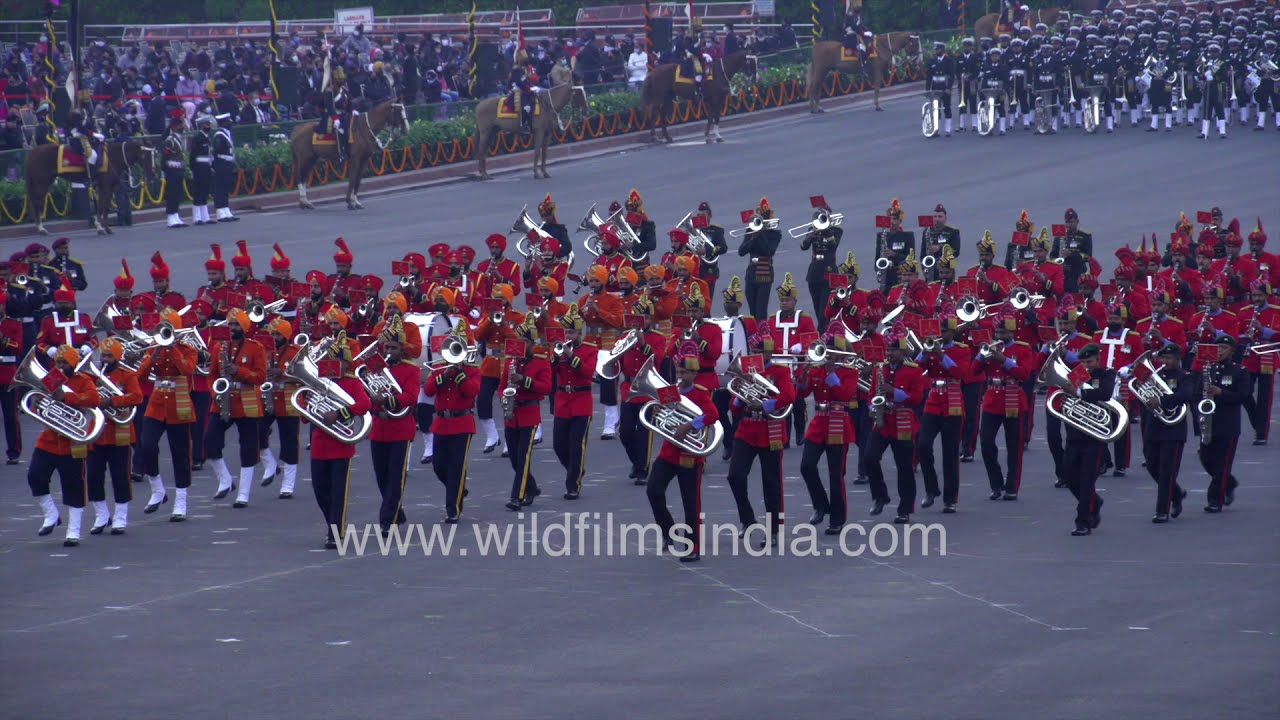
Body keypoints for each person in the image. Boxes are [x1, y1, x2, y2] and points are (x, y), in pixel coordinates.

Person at [645, 353, 718, 563]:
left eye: (685, 372)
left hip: (690, 455)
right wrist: (658, 411)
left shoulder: (701, 394)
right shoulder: (671, 391)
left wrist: (689, 426)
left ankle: (692, 546)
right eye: (679, 371)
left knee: (691, 504)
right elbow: (662, 416)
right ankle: (668, 530)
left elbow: (713, 415)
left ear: (695, 374)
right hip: (670, 451)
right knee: (653, 490)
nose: (681, 376)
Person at [27, 345, 100, 547]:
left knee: (74, 486)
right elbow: (35, 405)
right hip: (49, 439)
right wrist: (40, 404)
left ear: (73, 363)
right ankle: (51, 514)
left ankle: (73, 531)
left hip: (73, 441)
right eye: (58, 362)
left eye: (64, 362)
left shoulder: (83, 380)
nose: (59, 366)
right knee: (35, 476)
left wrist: (67, 397)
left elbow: (94, 399)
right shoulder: (51, 378)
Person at [726, 334, 796, 545]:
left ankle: (774, 529)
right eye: (754, 351)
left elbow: (789, 396)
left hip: (770, 430)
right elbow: (733, 407)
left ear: (770, 353)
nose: (756, 355)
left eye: (761, 351)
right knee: (735, 476)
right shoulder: (746, 371)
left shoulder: (780, 371)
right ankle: (747, 519)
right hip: (747, 429)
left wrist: (766, 405)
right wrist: (740, 396)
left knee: (772, 483)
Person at [310, 329, 371, 549]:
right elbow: (306, 419)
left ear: (346, 364)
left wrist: (340, 413)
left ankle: (335, 531)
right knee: (320, 490)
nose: (332, 364)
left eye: (337, 361)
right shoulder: (320, 382)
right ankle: (332, 524)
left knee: (338, 492)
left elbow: (365, 404)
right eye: (329, 360)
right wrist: (309, 399)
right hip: (320, 442)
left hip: (340, 443)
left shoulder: (352, 383)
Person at [205, 308, 268, 508]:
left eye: (236, 325)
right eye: (230, 324)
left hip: (246, 401)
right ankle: (225, 480)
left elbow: (261, 377)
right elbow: (212, 375)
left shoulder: (255, 348)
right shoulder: (219, 347)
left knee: (248, 449)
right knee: (209, 442)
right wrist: (216, 393)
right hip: (224, 400)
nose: (231, 328)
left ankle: (243, 494)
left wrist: (239, 371)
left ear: (244, 327)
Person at [863, 330, 926, 524]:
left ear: (903, 352)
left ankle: (905, 509)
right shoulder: (879, 369)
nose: (890, 354)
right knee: (870, 458)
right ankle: (880, 496)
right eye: (888, 350)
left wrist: (895, 392)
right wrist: (873, 407)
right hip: (883, 420)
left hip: (903, 420)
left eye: (894, 350)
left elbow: (917, 397)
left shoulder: (913, 369)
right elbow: (871, 393)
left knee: (904, 467)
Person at [797, 335, 858, 534]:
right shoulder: (816, 369)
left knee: (835, 475)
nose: (828, 354)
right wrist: (803, 376)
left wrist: (832, 374)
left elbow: (845, 395)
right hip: (819, 423)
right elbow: (802, 394)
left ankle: (837, 519)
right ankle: (821, 505)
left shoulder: (850, 372)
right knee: (806, 466)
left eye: (832, 350)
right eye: (826, 349)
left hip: (839, 423)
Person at [367, 319, 421, 537]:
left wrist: (387, 400)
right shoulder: (376, 367)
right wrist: (373, 401)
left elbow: (410, 396)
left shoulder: (411, 370)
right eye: (386, 347)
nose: (388, 351)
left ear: (402, 349)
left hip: (400, 427)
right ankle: (396, 511)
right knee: (381, 476)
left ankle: (386, 519)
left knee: (396, 475)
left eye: (393, 348)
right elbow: (365, 391)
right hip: (379, 426)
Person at [974, 311, 1035, 501]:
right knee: (985, 442)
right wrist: (981, 356)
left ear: (1011, 332)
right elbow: (973, 372)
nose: (999, 336)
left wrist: (1004, 361)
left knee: (1014, 447)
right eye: (997, 333)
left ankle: (1011, 487)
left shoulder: (1023, 349)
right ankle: (996, 483)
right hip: (993, 399)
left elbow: (1024, 374)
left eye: (1002, 333)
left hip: (1013, 399)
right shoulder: (990, 348)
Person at [85, 338, 144, 535]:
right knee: (93, 476)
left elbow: (137, 397)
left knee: (120, 477)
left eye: (110, 356)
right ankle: (101, 515)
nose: (105, 359)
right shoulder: (94, 376)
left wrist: (113, 400)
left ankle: (120, 516)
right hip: (97, 433)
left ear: (117, 357)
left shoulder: (127, 375)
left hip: (120, 432)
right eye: (103, 355)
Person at [915, 315, 971, 513]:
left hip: (953, 402)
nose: (941, 333)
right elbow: (915, 370)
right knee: (922, 445)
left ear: (953, 331)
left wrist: (941, 355)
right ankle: (931, 489)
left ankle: (950, 499)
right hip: (933, 401)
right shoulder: (931, 348)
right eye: (939, 329)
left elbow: (960, 373)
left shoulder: (962, 350)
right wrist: (924, 353)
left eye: (945, 330)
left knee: (950, 453)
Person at [424, 324, 480, 523]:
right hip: (441, 423)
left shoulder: (472, 371)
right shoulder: (439, 368)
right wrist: (445, 374)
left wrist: (458, 374)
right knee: (439, 466)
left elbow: (472, 392)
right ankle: (457, 489)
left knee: (456, 467)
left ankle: (453, 509)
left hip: (462, 423)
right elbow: (429, 390)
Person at [1062, 344, 1117, 535]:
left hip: (1094, 435)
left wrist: (1079, 393)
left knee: (1086, 480)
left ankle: (1083, 522)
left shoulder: (1106, 375)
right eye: (1083, 362)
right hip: (1075, 433)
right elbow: (1066, 397)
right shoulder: (1077, 374)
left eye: (1090, 362)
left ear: (1097, 360)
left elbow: (1105, 394)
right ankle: (1095, 501)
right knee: (1068, 475)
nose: (1086, 366)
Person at [1141, 343, 1196, 523]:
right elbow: (1139, 387)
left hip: (1174, 429)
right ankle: (1177, 493)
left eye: (1169, 358)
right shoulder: (1154, 375)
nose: (1165, 361)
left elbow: (1187, 395)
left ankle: (1161, 510)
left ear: (1177, 360)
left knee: (1167, 471)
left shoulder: (1184, 377)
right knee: (1151, 466)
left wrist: (1161, 400)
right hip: (1153, 427)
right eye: (1163, 358)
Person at [502, 315, 552, 510]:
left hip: (529, 413)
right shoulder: (509, 362)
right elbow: (501, 385)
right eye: (518, 342)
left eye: (524, 343)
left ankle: (517, 497)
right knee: (515, 459)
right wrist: (504, 398)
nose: (520, 346)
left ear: (532, 345)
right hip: (512, 413)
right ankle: (531, 487)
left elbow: (546, 387)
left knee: (523, 458)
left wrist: (523, 380)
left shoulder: (541, 362)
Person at [1196, 336, 1247, 513]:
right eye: (1217, 347)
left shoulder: (1239, 371)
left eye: (1224, 347)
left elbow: (1243, 395)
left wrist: (1221, 392)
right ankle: (1229, 482)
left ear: (1232, 351)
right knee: (1205, 458)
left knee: (1222, 463)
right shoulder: (1206, 369)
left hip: (1228, 423)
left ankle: (1214, 500)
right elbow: (1195, 392)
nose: (1219, 350)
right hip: (1208, 422)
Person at [260, 317, 302, 498]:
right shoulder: (264, 351)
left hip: (288, 400)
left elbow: (304, 377)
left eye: (278, 334)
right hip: (268, 398)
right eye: (272, 334)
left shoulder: (295, 352)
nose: (274, 337)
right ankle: (270, 464)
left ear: (286, 335)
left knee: (289, 442)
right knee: (256, 431)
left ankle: (288, 484)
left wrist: (283, 374)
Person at [799, 197, 843, 332]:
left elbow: (833, 246)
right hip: (814, 273)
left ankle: (822, 334)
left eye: (822, 218)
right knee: (817, 307)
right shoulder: (812, 229)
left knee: (825, 309)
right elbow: (803, 246)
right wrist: (811, 235)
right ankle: (823, 330)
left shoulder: (836, 231)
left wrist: (826, 230)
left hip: (829, 273)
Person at [737, 197, 781, 320]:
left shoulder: (775, 234)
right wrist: (753, 237)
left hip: (765, 275)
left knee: (761, 312)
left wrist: (760, 235)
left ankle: (763, 336)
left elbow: (768, 252)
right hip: (751, 274)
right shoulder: (750, 231)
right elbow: (741, 251)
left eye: (765, 216)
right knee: (752, 312)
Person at [874, 198, 915, 292]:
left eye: (895, 219)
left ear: (900, 221)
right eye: (890, 219)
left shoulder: (907, 236)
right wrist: (879, 272)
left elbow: (911, 258)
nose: (892, 222)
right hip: (886, 277)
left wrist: (894, 255)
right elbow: (877, 260)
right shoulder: (881, 236)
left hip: (901, 276)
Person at [162, 108, 187, 229]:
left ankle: (176, 214)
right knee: (171, 193)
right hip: (171, 169)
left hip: (178, 169)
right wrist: (164, 170)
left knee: (177, 193)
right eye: (180, 124)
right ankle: (171, 216)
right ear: (175, 126)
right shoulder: (170, 140)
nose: (182, 126)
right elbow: (165, 157)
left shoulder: (178, 139)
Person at [189, 113, 215, 226]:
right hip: (199, 167)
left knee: (205, 191)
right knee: (198, 191)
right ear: (201, 125)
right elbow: (193, 155)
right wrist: (193, 169)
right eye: (207, 124)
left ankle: (205, 217)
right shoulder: (198, 137)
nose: (209, 126)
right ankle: (197, 217)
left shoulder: (206, 137)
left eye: (209, 124)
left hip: (206, 166)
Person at [212, 113, 239, 222]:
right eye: (228, 121)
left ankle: (225, 208)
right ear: (223, 123)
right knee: (220, 187)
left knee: (226, 186)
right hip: (221, 163)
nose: (231, 123)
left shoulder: (226, 133)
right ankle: (220, 211)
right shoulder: (219, 135)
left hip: (227, 163)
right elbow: (217, 149)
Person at [926, 41, 956, 136]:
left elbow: (951, 76)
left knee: (947, 108)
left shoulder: (949, 60)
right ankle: (936, 129)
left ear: (943, 50)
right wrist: (927, 89)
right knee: (936, 109)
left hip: (945, 88)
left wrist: (949, 88)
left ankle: (947, 130)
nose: (936, 51)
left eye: (938, 49)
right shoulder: (932, 61)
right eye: (936, 49)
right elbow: (929, 76)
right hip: (935, 88)